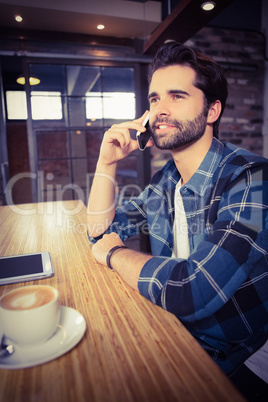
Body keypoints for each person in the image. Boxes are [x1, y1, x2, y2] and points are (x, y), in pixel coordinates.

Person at [87, 41, 268, 400]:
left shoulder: (252, 180)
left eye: (177, 96)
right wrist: (106, 162)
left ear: (212, 110)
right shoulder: (167, 180)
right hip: (175, 329)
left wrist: (115, 255)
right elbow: (100, 231)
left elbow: (193, 290)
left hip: (239, 357)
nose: (160, 110)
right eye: (154, 99)